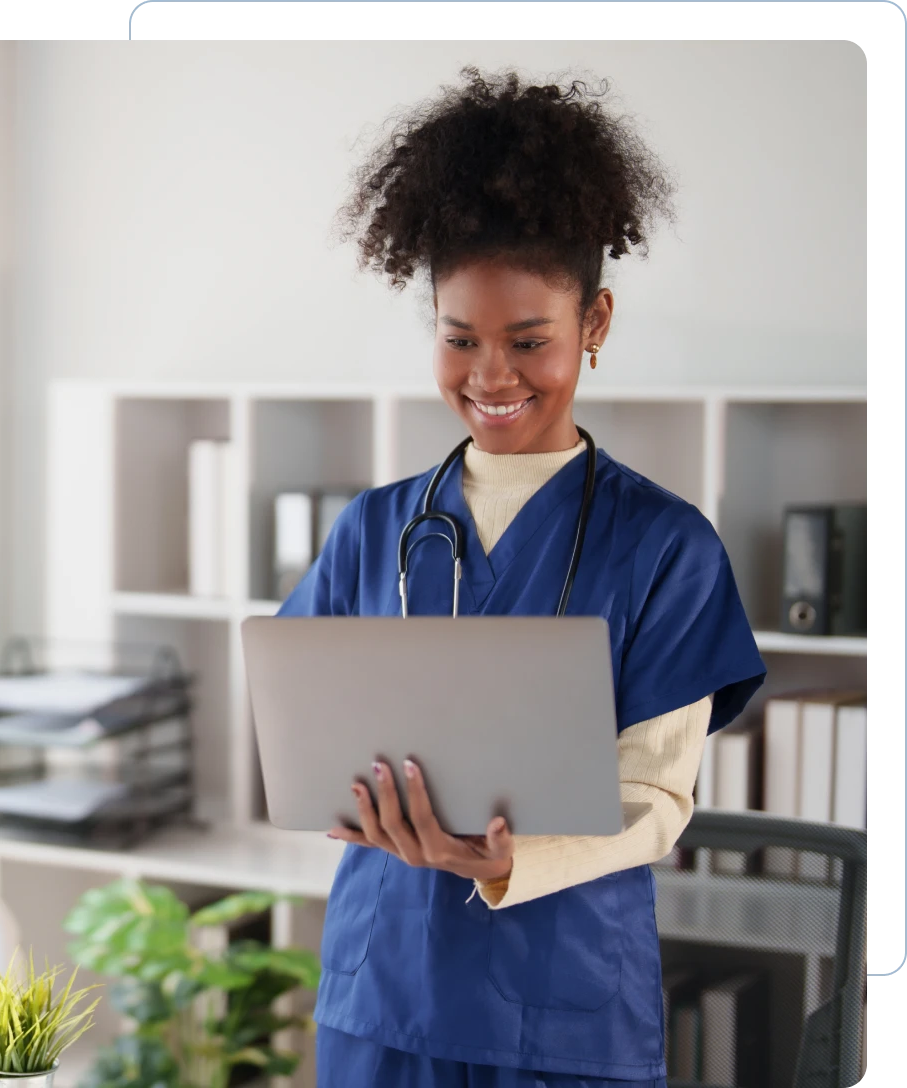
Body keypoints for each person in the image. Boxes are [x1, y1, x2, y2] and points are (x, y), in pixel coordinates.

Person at [278, 68, 767, 1087]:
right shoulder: (375, 527)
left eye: (529, 341)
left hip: (561, 1012)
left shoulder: (666, 546)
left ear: (595, 323)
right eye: (460, 339)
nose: (490, 376)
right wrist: (347, 795)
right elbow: (302, 726)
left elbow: (655, 795)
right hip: (382, 994)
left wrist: (514, 860)